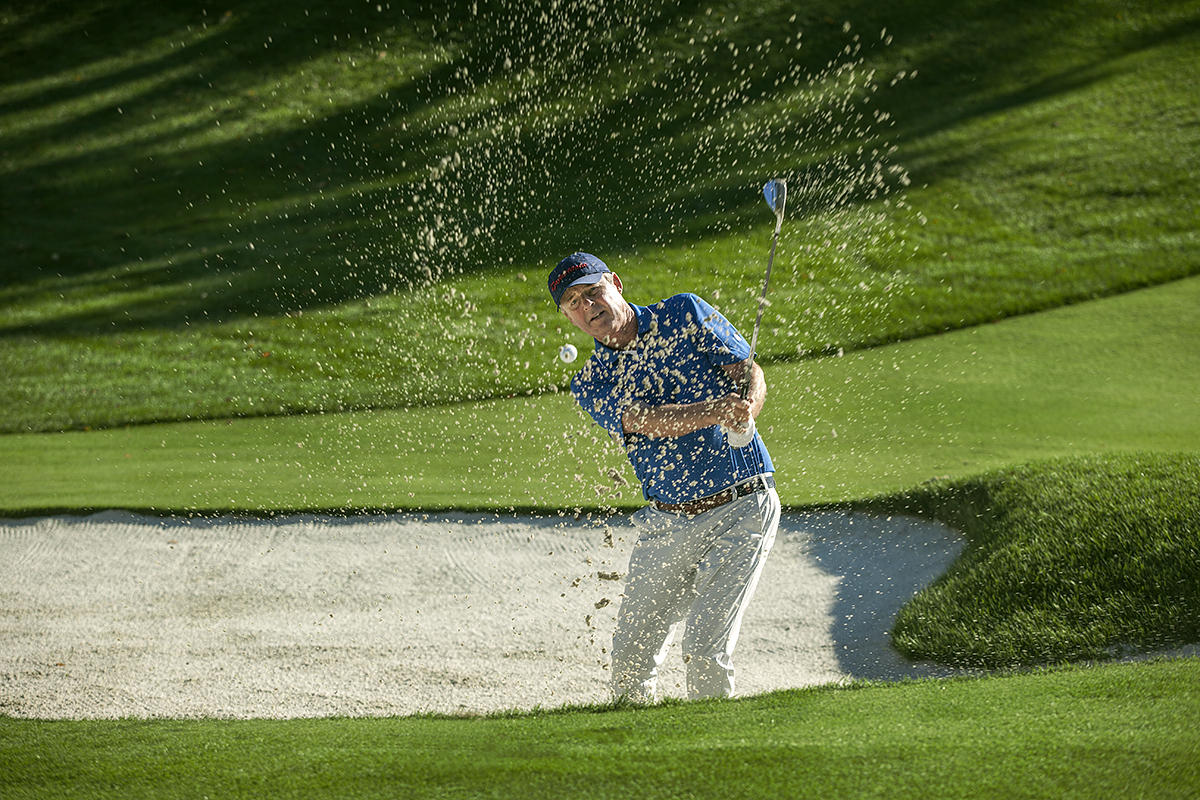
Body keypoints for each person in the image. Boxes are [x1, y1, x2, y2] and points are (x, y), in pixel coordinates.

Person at [548, 251, 781, 702]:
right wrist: (716, 410)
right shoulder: (592, 380)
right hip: (668, 521)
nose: (588, 306)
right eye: (574, 302)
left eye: (593, 291)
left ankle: (718, 757)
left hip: (743, 506)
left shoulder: (685, 312)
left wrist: (747, 408)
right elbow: (643, 420)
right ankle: (638, 758)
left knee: (703, 649)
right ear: (568, 317)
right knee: (631, 660)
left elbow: (747, 370)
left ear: (615, 283)